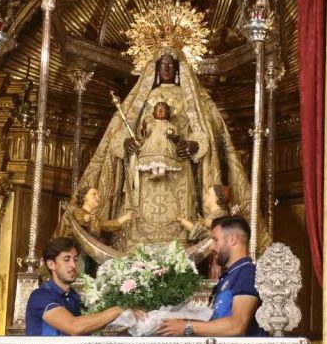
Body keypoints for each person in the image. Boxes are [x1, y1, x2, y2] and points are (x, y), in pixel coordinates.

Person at [76, 48, 251, 254]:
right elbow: (122, 132)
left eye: (171, 65)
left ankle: (179, 258)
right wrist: (126, 143)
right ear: (156, 69)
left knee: (178, 220)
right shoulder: (143, 97)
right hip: (143, 175)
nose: (166, 69)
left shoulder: (189, 97)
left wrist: (193, 144)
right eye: (162, 65)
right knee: (137, 221)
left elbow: (203, 132)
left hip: (179, 172)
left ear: (177, 69)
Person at [157, 216, 265, 337]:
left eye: (215, 240)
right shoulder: (228, 276)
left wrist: (186, 327)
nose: (211, 247)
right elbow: (217, 321)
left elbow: (238, 325)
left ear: (232, 240)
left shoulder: (248, 273)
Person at [25, 237, 126, 336]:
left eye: (75, 259)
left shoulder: (76, 298)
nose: (73, 265)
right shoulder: (40, 296)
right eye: (66, 259)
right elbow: (73, 326)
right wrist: (118, 309)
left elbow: (91, 329)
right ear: (51, 264)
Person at [136, 101, 181, 176]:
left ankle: (161, 172)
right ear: (154, 112)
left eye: (163, 109)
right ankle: (154, 173)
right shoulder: (151, 124)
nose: (160, 111)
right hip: (152, 145)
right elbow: (145, 134)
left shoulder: (169, 125)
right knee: (153, 159)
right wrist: (144, 128)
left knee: (163, 158)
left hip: (165, 146)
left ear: (168, 113)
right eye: (157, 109)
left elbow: (175, 135)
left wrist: (171, 134)